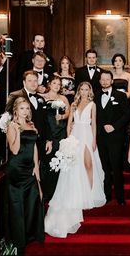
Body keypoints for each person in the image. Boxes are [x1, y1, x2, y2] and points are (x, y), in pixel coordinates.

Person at [45, 81, 106, 237]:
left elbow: (94, 123)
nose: (84, 91)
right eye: (82, 89)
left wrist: (94, 140)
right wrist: (68, 138)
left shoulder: (92, 104)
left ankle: (91, 193)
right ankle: (79, 191)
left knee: (88, 163)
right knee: (75, 165)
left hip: (87, 134)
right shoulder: (73, 104)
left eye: (87, 89)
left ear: (89, 91)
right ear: (79, 90)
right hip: (75, 135)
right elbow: (69, 122)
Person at [5, 70, 53, 201]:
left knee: (40, 170)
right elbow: (6, 118)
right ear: (24, 82)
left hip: (38, 140)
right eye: (30, 80)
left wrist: (48, 139)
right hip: (21, 143)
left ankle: (39, 203)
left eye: (35, 80)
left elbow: (46, 121)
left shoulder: (40, 98)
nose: (33, 83)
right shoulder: (15, 96)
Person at [6, 97, 44, 254]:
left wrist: (37, 171)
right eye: (22, 108)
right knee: (17, 205)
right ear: (16, 110)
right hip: (16, 170)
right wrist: (16, 129)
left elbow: (34, 148)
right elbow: (14, 150)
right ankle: (18, 240)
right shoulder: (12, 126)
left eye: (27, 108)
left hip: (29, 169)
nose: (25, 111)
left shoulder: (31, 125)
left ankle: (29, 235)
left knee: (33, 200)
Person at [95, 71, 130, 205]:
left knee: (116, 167)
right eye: (102, 79)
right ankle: (107, 195)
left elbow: (127, 115)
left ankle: (120, 197)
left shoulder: (121, 96)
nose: (104, 81)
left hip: (115, 137)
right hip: (100, 137)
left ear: (112, 81)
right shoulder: (95, 96)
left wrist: (114, 127)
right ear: (100, 81)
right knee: (104, 167)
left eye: (107, 79)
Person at [39, 75, 70, 200]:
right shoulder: (43, 97)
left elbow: (68, 112)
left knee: (58, 160)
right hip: (48, 131)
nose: (57, 86)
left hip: (60, 131)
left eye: (59, 84)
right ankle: (46, 191)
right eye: (54, 83)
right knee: (47, 160)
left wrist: (62, 117)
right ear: (49, 84)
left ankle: (56, 191)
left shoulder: (63, 98)